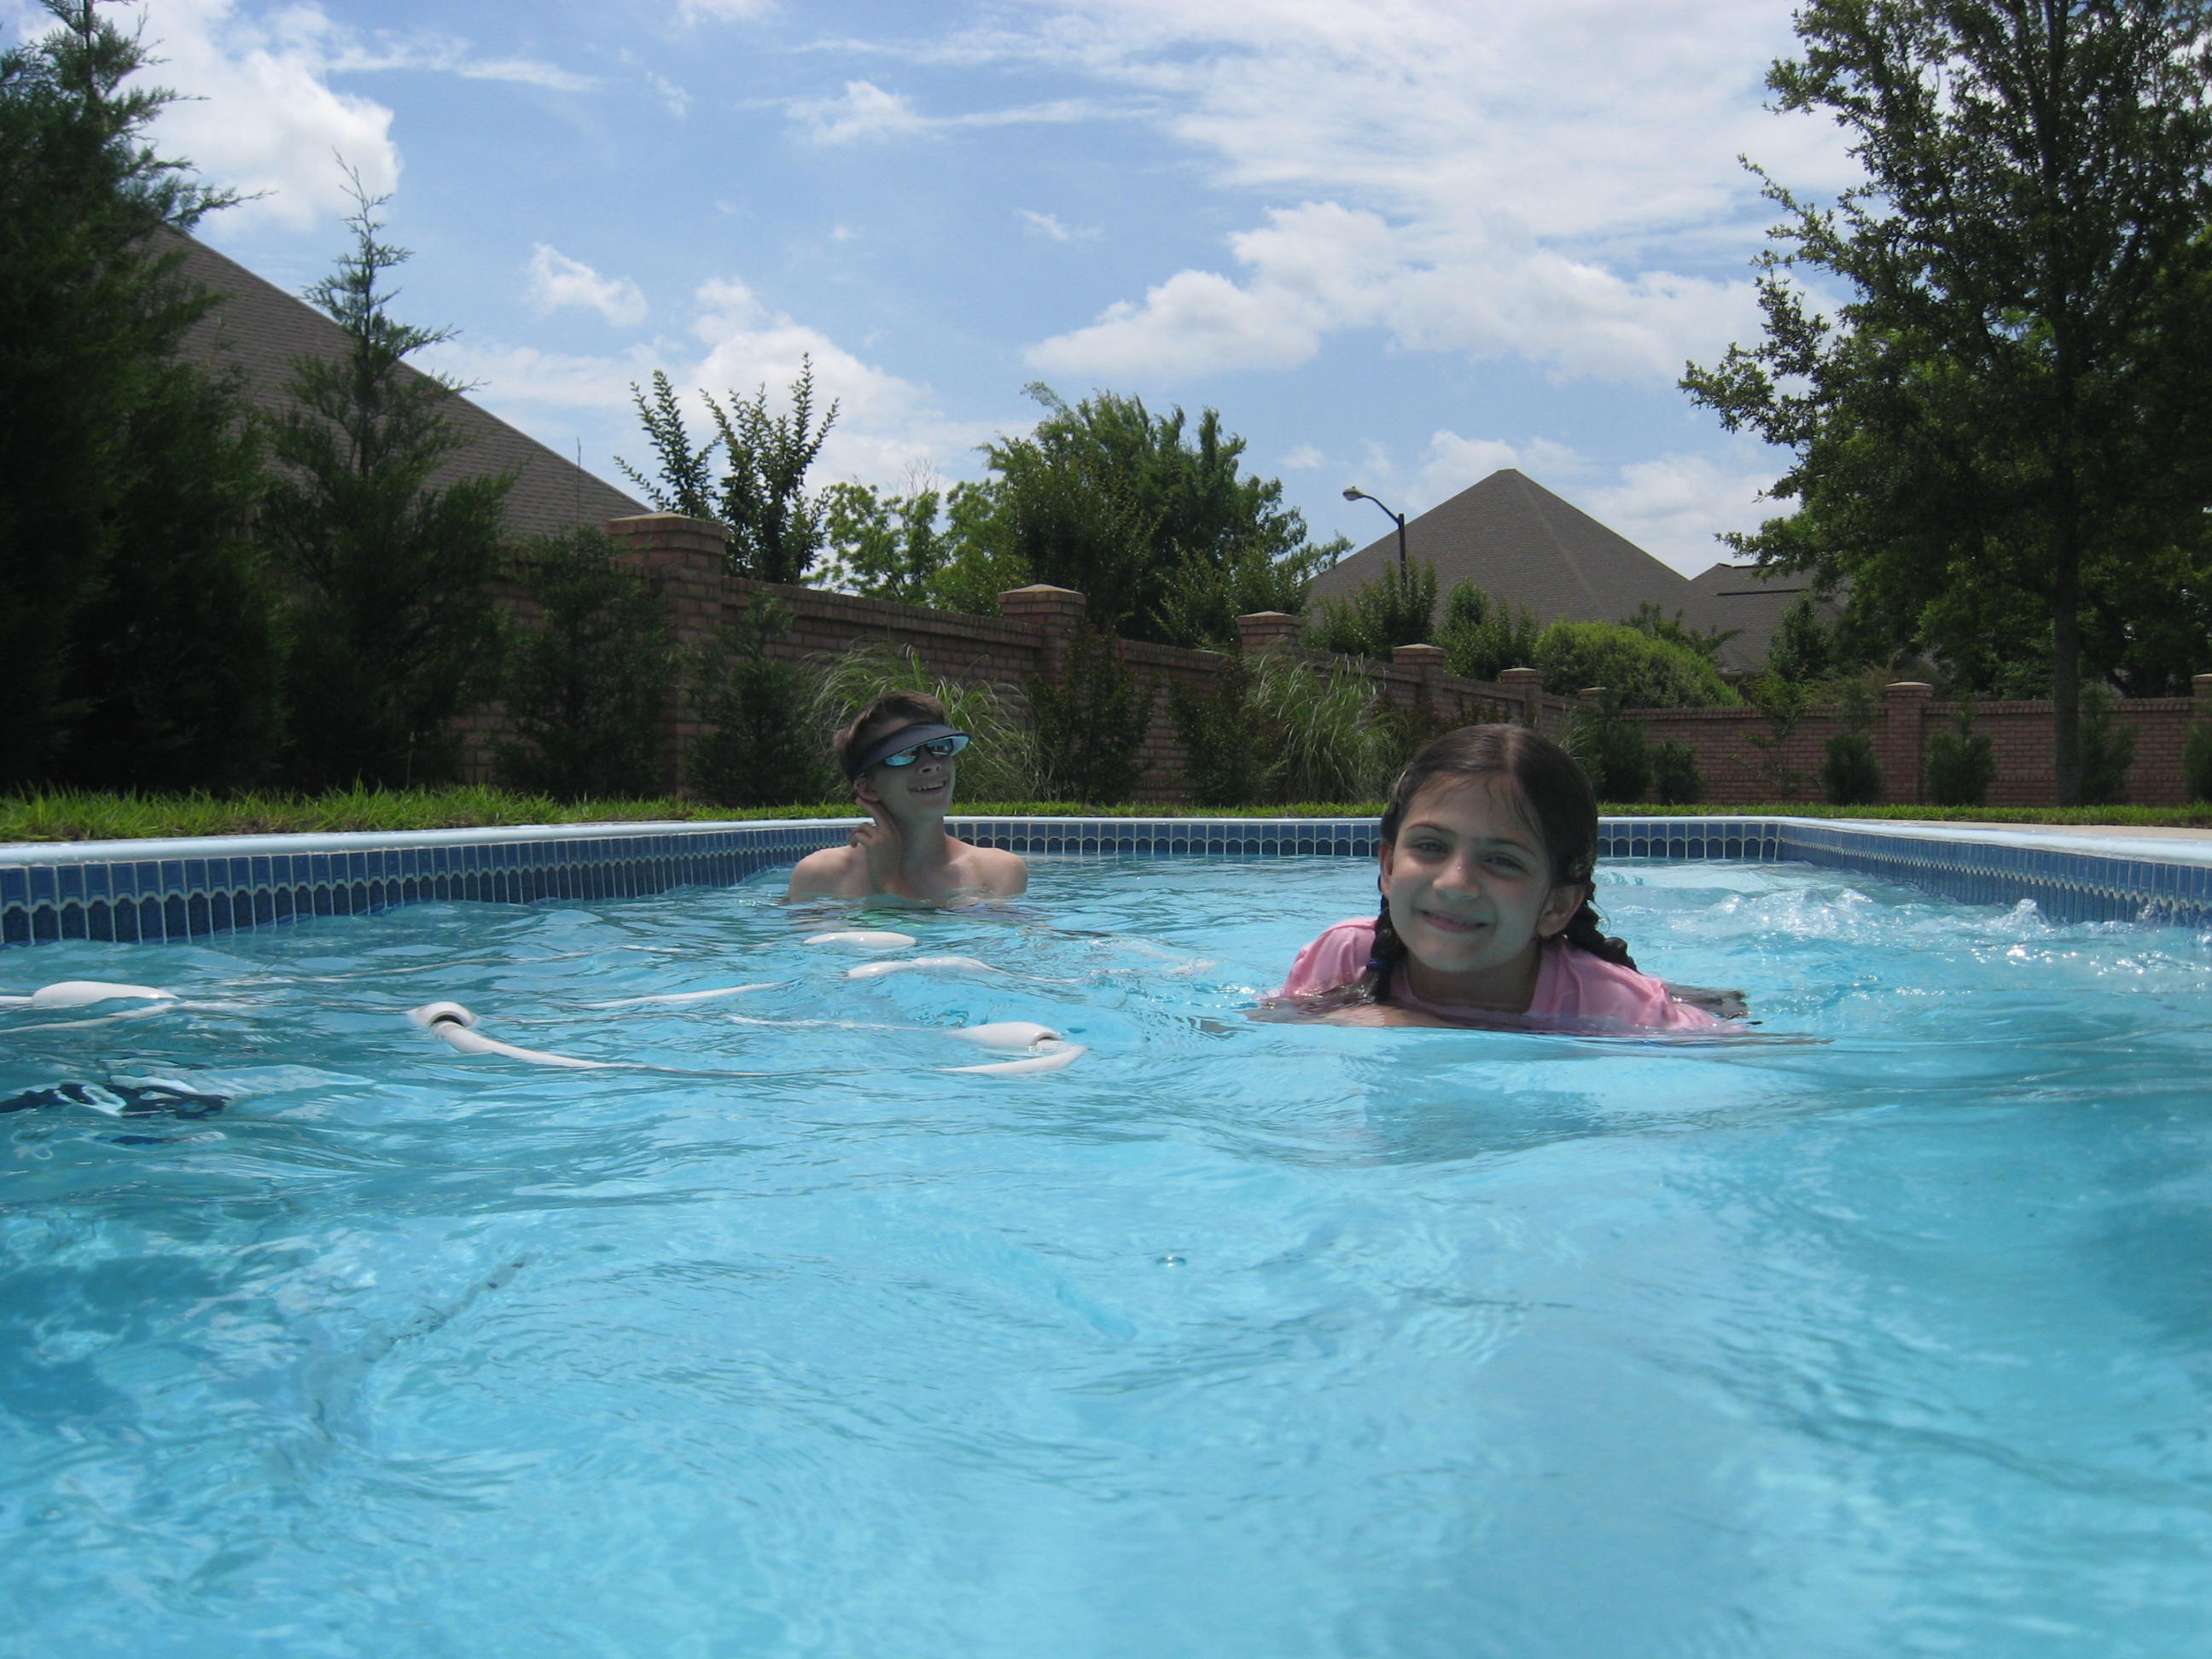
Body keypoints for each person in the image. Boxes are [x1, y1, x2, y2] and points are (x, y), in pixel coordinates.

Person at [1278, 724, 1727, 1030]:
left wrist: (1427, 1027)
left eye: (1502, 861)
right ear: (1389, 867)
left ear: (1556, 906)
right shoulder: (1345, 956)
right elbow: (1270, 1023)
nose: (1455, 882)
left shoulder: (1625, 1010)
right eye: (1431, 846)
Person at [784, 690, 1028, 905]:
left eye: (938, 747)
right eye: (904, 754)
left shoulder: (995, 871)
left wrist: (890, 883)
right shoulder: (821, 875)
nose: (931, 764)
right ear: (868, 788)